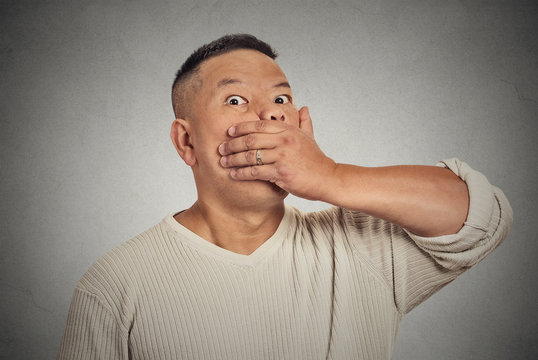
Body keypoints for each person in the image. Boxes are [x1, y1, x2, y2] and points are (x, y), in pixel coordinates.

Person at [57, 34, 513, 360]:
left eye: (281, 100)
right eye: (235, 100)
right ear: (186, 142)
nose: (267, 116)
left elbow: (483, 215)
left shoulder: (360, 247)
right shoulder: (115, 286)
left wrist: (330, 176)